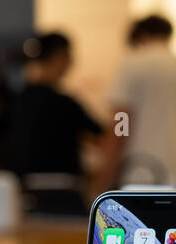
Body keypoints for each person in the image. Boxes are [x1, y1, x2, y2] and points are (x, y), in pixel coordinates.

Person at [104, 14, 176, 189]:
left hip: (142, 178)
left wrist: (105, 175)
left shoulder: (132, 66)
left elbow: (122, 121)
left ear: (140, 36)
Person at [6, 32, 104, 208]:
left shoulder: (18, 99)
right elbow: (100, 136)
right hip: (65, 191)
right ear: (60, 56)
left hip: (25, 192)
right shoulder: (65, 103)